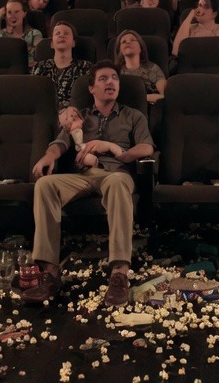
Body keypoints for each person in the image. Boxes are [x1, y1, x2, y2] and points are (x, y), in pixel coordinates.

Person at [23, 62, 155, 307]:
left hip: (116, 174)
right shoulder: (80, 116)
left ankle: (119, 272)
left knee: (116, 183)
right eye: (103, 79)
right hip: (81, 175)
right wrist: (49, 157)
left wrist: (116, 151)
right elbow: (59, 143)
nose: (111, 82)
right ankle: (49, 271)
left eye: (115, 78)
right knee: (45, 185)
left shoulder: (132, 115)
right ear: (92, 88)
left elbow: (147, 147)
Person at [31, 21, 93, 109]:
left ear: (73, 43)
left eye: (66, 33)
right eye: (57, 33)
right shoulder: (40, 67)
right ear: (52, 44)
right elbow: (33, 96)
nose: (61, 36)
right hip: (45, 115)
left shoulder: (86, 67)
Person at [113, 30, 167, 104]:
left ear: (140, 47)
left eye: (132, 40)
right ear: (120, 51)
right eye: (123, 42)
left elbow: (164, 95)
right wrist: (148, 97)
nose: (128, 42)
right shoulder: (115, 72)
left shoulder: (152, 68)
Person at [0, 0, 42, 68]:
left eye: (16, 12)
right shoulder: (2, 34)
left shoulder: (34, 34)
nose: (13, 16)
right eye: (9, 12)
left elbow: (34, 61)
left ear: (24, 13)